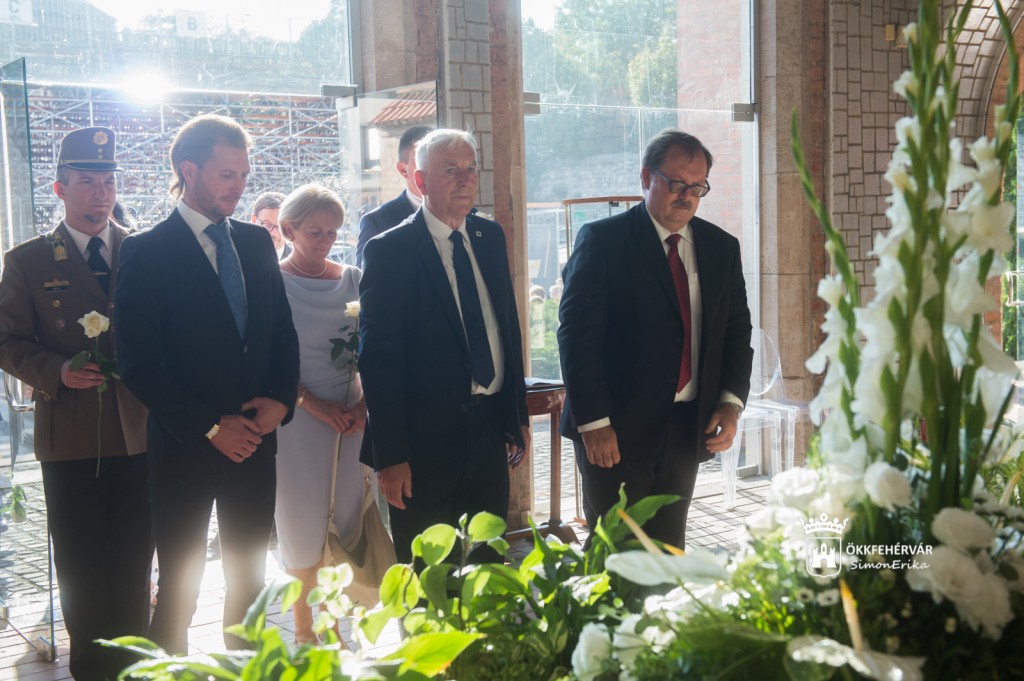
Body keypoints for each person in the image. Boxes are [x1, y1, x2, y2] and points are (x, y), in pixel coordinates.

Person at [114, 114, 300, 653]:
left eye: (243, 175)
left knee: (250, 584)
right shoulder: (147, 250)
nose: (238, 187)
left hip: (256, 444)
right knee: (179, 590)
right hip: (184, 448)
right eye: (226, 174)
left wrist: (281, 400)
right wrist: (211, 426)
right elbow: (138, 363)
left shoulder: (256, 242)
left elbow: (281, 331)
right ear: (188, 170)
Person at [0, 127, 151, 680]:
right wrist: (58, 371)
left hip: (142, 432)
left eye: (108, 181)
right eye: (87, 181)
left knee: (136, 559)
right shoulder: (29, 261)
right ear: (60, 189)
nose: (101, 193)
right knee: (81, 563)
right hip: (69, 434)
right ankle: (91, 667)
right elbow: (7, 341)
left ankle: (135, 665)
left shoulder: (145, 252)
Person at [557, 129, 753, 548]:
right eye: (677, 183)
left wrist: (731, 402)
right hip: (615, 431)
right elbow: (577, 337)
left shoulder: (721, 247)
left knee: (667, 551)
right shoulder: (603, 241)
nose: (687, 196)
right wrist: (594, 423)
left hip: (687, 428)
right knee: (616, 552)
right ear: (647, 177)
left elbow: (737, 331)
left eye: (697, 187)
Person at [358, 129, 530, 563]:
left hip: (488, 431)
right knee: (430, 573)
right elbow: (379, 359)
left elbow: (506, 329)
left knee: (486, 566)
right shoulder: (390, 250)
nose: (465, 180)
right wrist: (390, 456)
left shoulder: (490, 237)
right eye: (450, 171)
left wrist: (516, 415)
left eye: (471, 169)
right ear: (420, 181)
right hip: (422, 443)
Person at [273, 183, 366, 644]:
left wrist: (364, 406)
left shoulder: (354, 279)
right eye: (315, 232)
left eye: (332, 232)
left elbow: (379, 348)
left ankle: (333, 624)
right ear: (289, 230)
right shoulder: (271, 282)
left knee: (345, 518)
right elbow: (262, 359)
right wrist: (310, 402)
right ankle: (304, 628)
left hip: (351, 418)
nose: (325, 241)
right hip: (296, 420)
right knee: (299, 522)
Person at [355, 125, 433, 267]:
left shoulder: (465, 215)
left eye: (439, 162)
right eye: (422, 161)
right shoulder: (377, 223)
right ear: (403, 169)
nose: (432, 169)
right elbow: (366, 278)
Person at [251, 191, 290, 260]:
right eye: (268, 225)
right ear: (253, 220)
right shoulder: (237, 257)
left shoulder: (302, 262)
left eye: (280, 227)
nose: (273, 233)